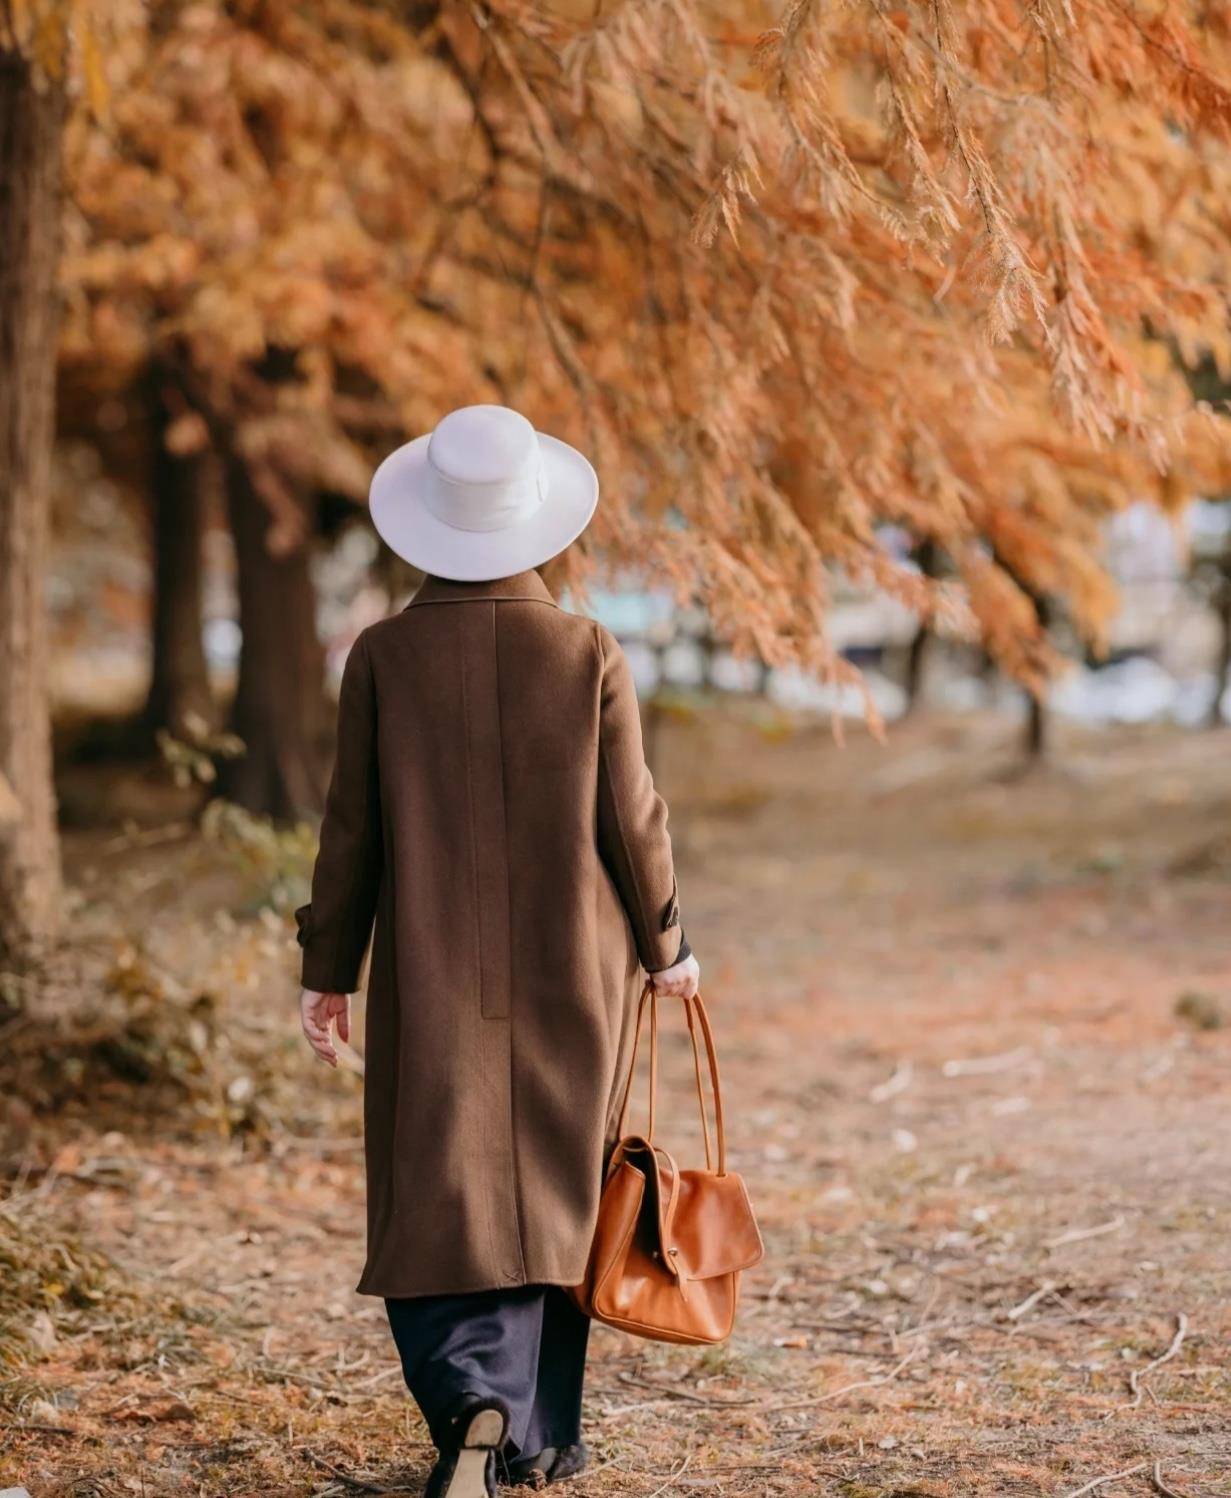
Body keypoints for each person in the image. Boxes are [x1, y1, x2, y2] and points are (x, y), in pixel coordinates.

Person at [296, 404, 700, 1498]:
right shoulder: (586, 650)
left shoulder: (381, 657)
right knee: (561, 1178)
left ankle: (471, 1398)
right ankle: (537, 1432)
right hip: (577, 963)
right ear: (535, 523)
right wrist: (666, 943)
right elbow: (633, 815)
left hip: (429, 963)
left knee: (438, 1176)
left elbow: (352, 833)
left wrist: (326, 970)